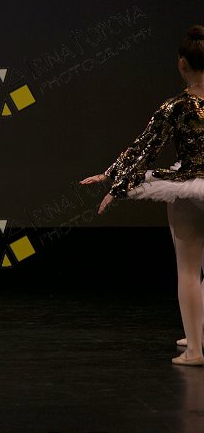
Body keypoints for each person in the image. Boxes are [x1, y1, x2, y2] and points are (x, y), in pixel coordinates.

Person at [81, 25, 204, 366]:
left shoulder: (176, 106)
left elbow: (145, 149)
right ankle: (198, 335)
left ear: (182, 63)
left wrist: (114, 181)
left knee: (189, 270)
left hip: (190, 184)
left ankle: (196, 349)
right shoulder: (176, 106)